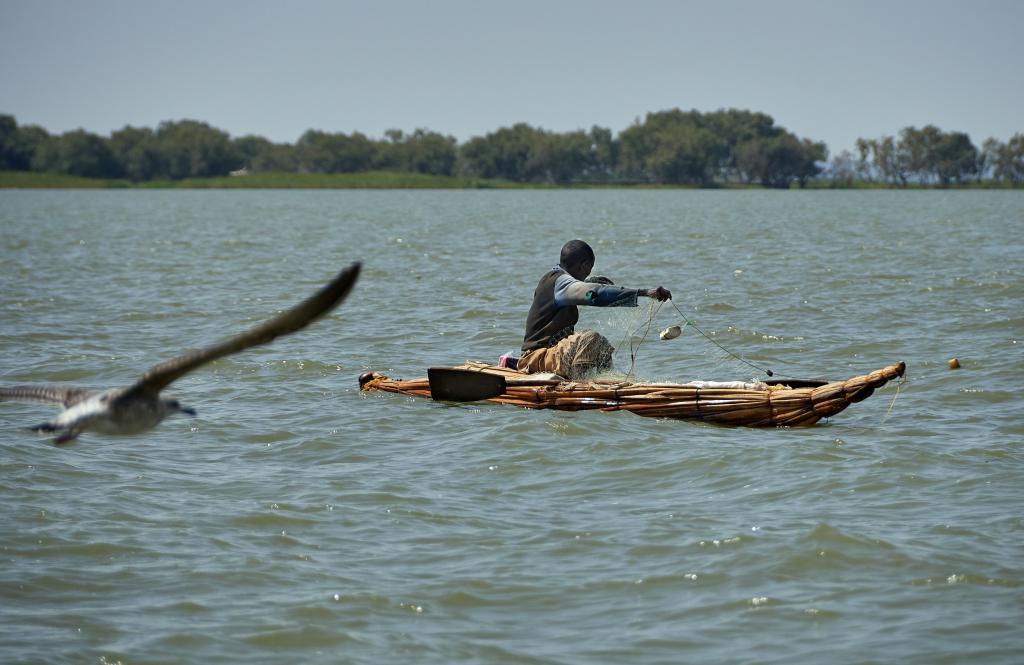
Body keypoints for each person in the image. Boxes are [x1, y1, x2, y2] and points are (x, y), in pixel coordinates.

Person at [519, 239, 671, 379]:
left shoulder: (556, 279)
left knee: (602, 346)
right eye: (589, 269)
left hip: (551, 356)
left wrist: (588, 282)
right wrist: (643, 292)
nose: (588, 273)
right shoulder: (560, 282)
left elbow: (575, 288)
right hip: (536, 358)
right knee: (591, 339)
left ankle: (607, 383)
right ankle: (580, 386)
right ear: (584, 266)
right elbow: (595, 294)